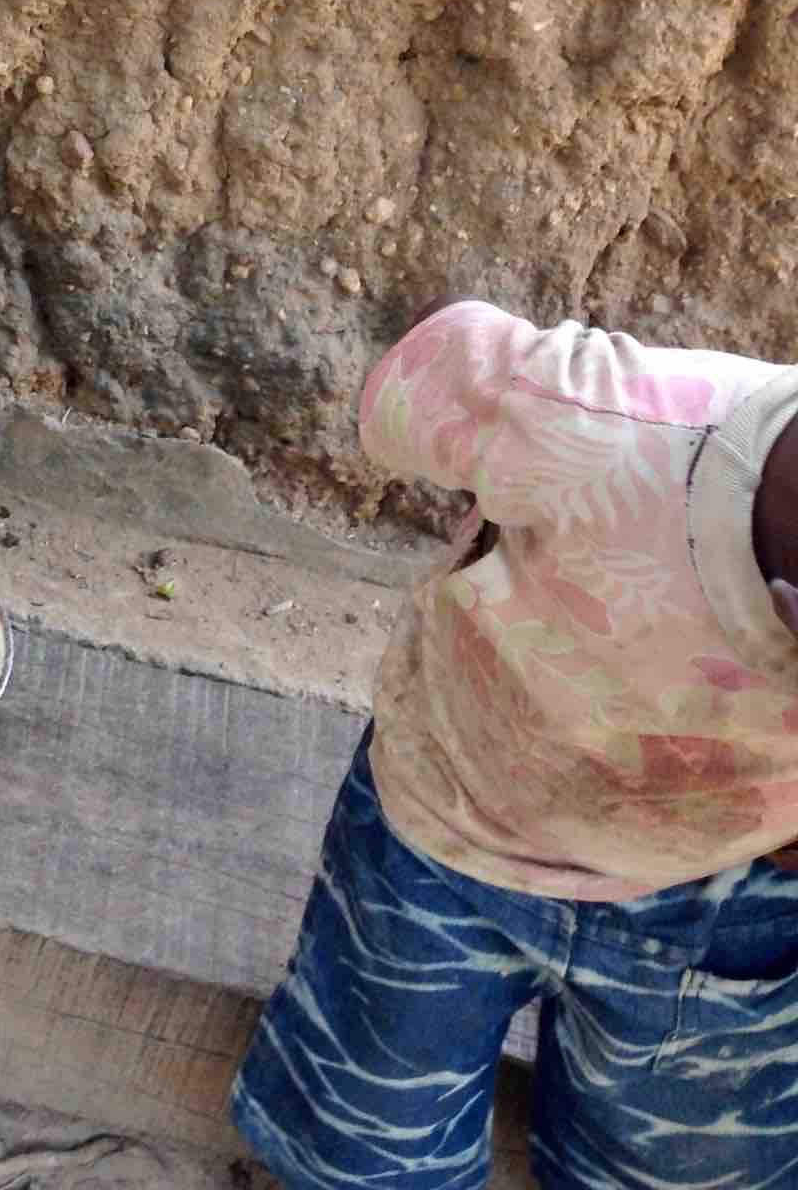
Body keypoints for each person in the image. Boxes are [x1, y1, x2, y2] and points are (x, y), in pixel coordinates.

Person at [233, 300, 798, 1189]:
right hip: (451, 837)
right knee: (371, 1148)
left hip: (723, 903)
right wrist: (511, 419)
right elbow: (419, 374)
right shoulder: (599, 420)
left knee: (681, 1170)